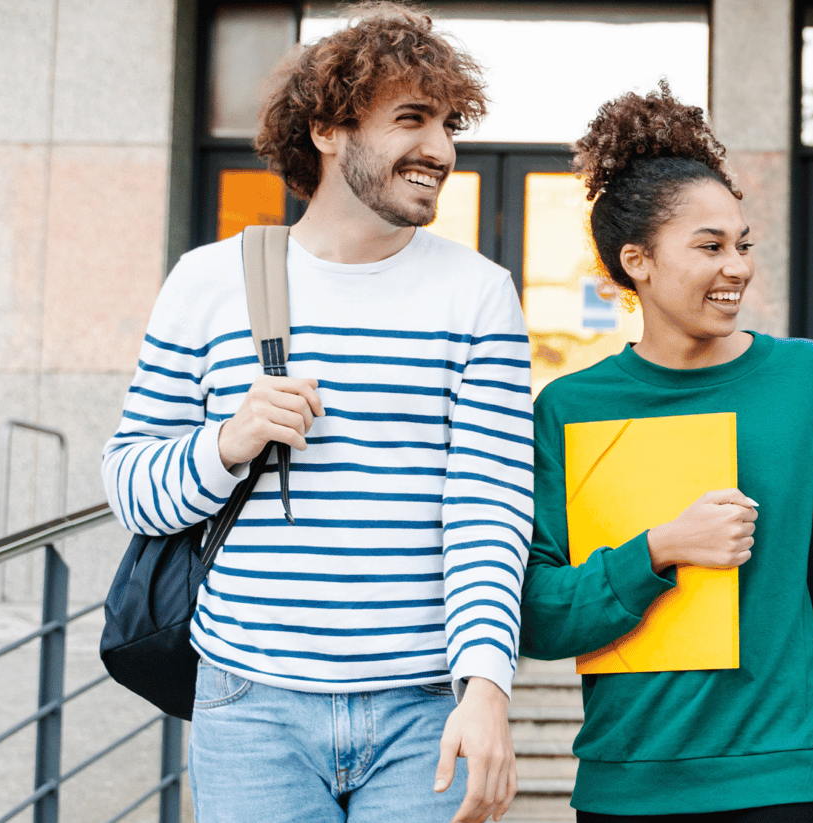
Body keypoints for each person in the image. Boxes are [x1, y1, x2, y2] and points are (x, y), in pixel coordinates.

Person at [100, 5, 527, 822]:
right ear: (330, 128)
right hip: (248, 704)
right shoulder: (209, 280)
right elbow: (129, 484)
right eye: (412, 120)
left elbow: (489, 509)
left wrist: (486, 686)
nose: (440, 149)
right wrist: (226, 444)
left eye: (448, 125)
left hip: (423, 708)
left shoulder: (478, 293)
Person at [518, 82, 813, 823]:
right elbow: (535, 614)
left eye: (743, 244)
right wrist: (659, 548)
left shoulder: (806, 380)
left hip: (792, 777)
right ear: (638, 261)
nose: (738, 267)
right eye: (710, 246)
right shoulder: (568, 408)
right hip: (631, 783)